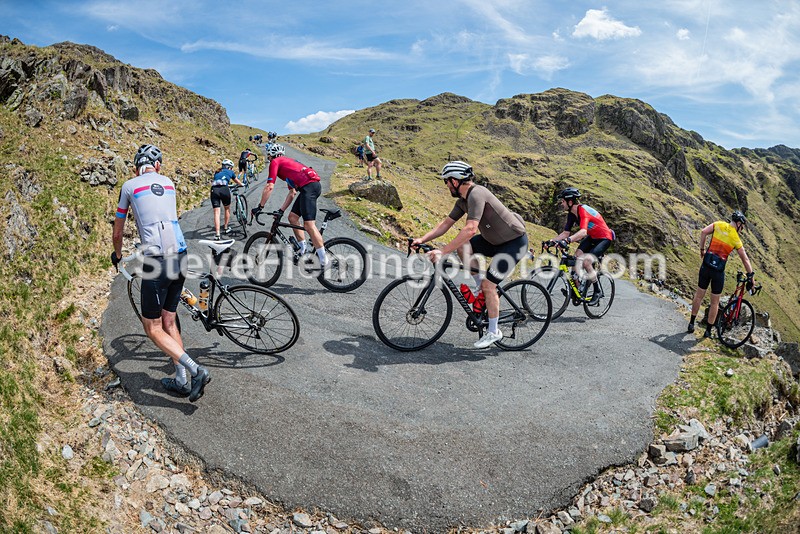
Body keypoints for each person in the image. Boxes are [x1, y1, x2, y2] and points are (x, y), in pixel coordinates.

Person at [111, 144, 210, 402]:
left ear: (136, 168)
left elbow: (118, 232)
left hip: (156, 261)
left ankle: (195, 370)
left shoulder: (129, 186)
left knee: (152, 327)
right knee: (169, 319)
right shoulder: (168, 183)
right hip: (180, 256)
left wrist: (118, 255)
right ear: (157, 166)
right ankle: (180, 379)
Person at [412, 161, 528, 349]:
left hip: (513, 244)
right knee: (463, 248)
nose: (447, 185)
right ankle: (479, 285)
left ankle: (493, 331)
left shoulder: (477, 194)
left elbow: (471, 229)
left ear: (456, 180)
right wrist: (422, 239)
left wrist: (442, 251)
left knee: (490, 286)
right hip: (494, 241)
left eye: (447, 182)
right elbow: (445, 224)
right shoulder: (462, 201)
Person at [251, 144, 327, 266]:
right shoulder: (288, 164)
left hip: (309, 187)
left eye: (269, 156)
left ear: (271, 155)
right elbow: (292, 193)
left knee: (309, 225)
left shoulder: (276, 162)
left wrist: (260, 207)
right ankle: (303, 250)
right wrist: (281, 211)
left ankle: (324, 262)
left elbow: (269, 186)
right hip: (309, 187)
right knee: (292, 217)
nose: (269, 158)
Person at [688, 211, 755, 337]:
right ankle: (707, 331)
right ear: (739, 223)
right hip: (718, 272)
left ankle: (691, 323)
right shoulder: (736, 238)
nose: (742, 229)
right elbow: (745, 259)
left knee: (699, 295)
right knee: (715, 302)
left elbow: (703, 232)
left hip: (706, 266)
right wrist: (750, 275)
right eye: (742, 226)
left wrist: (702, 249)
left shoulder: (718, 224)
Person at [547, 187, 615, 305]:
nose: (561, 204)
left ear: (570, 201)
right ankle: (577, 288)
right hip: (592, 237)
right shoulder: (571, 214)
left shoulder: (583, 210)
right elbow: (565, 233)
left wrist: (567, 241)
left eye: (562, 201)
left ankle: (597, 291)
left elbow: (583, 232)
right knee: (576, 257)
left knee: (586, 262)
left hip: (604, 238)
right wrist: (551, 241)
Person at [210, 158, 245, 240]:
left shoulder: (217, 172)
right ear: (229, 167)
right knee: (227, 209)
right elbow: (237, 181)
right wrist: (242, 184)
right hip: (224, 189)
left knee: (216, 212)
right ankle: (226, 227)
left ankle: (217, 234)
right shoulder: (230, 172)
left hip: (214, 190)